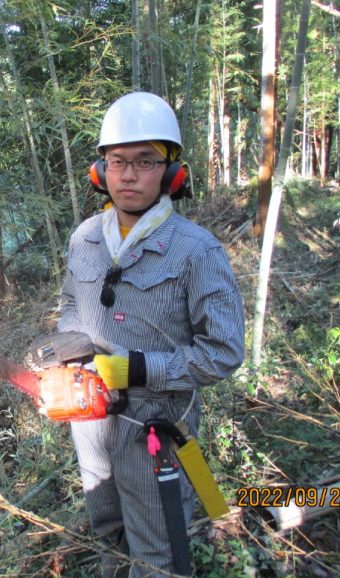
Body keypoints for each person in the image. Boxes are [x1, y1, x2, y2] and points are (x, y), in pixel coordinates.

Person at [57, 92, 245, 577]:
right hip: (90, 418)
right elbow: (72, 306)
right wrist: (67, 353)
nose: (128, 174)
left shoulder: (197, 250)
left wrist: (140, 368)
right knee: (107, 529)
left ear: (172, 173)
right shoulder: (85, 239)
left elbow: (224, 352)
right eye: (117, 161)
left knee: (158, 548)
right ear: (100, 170)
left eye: (145, 161)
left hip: (155, 427)